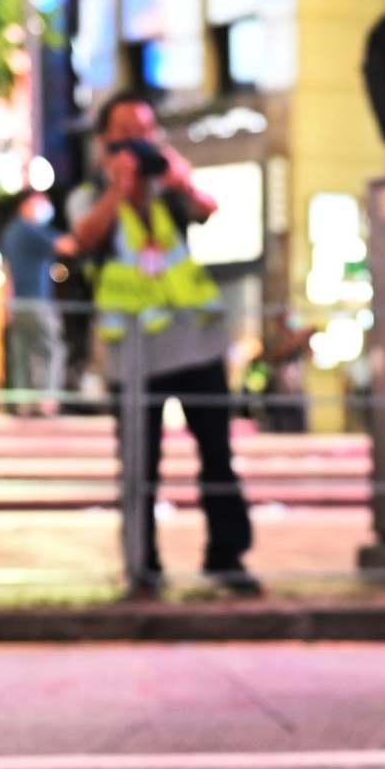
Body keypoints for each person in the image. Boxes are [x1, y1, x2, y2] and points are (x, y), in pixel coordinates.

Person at [68, 91, 260, 599]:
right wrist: (119, 189)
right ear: (105, 140)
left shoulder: (168, 186)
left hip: (194, 343)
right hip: (132, 354)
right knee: (138, 464)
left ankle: (228, 556)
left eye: (146, 131)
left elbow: (207, 209)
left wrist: (178, 179)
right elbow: (84, 238)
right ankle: (141, 566)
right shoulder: (90, 192)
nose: (139, 141)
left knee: (217, 454)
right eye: (127, 132)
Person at [0, 190, 67, 418]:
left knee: (22, 352)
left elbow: (7, 269)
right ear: (28, 204)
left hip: (17, 302)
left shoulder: (10, 232)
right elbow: (67, 245)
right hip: (36, 300)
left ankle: (23, 402)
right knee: (51, 349)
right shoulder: (32, 230)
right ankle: (46, 400)